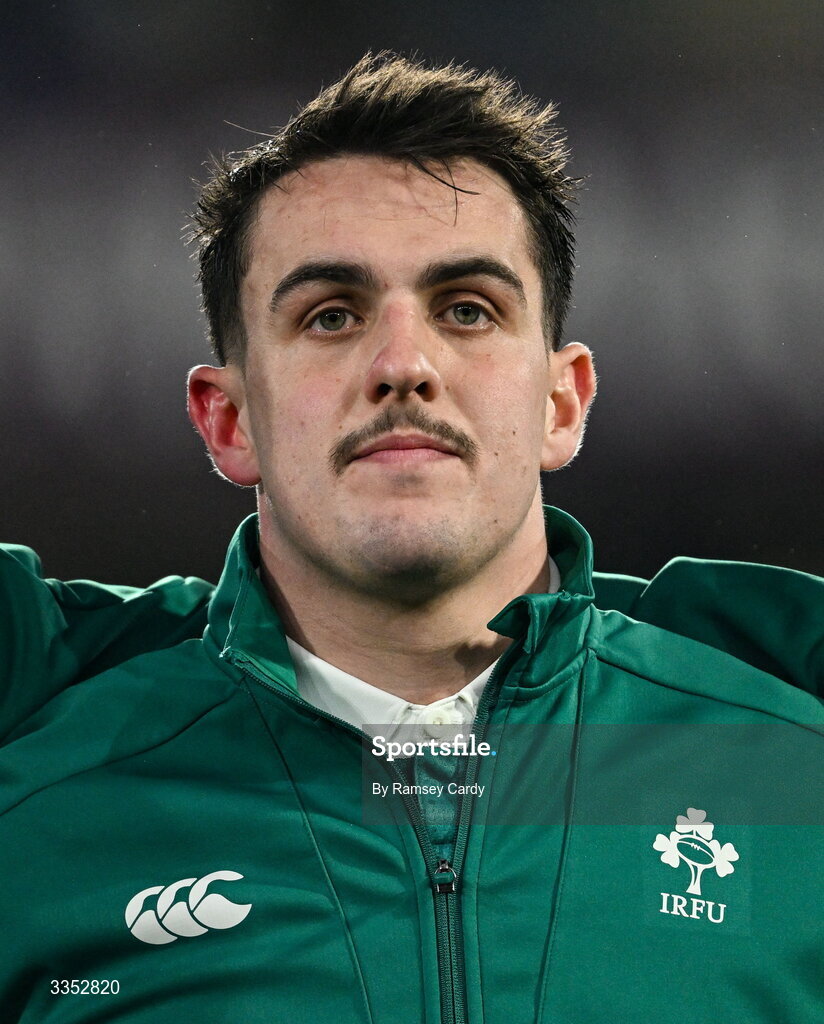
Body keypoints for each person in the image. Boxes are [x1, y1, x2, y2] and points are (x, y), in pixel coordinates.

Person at [1, 52, 821, 1024]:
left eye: (466, 309)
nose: (402, 365)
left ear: (561, 401)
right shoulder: (41, 788)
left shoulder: (785, 759)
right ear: (230, 423)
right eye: (331, 315)